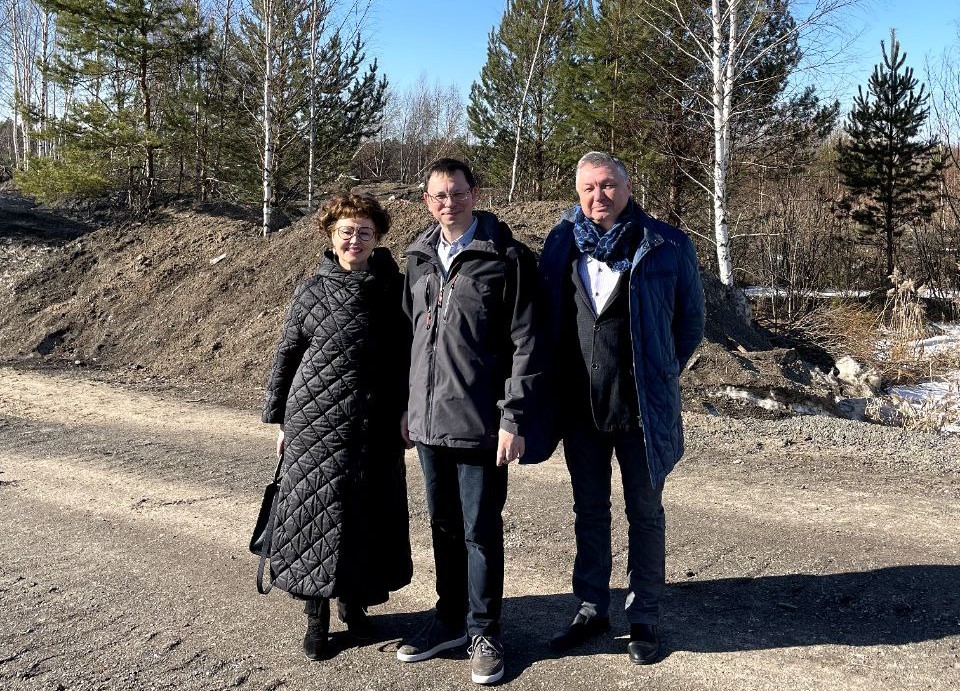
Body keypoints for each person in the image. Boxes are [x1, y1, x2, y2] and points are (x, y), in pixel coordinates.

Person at [538, 151, 704, 665]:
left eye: (608, 185)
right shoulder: (562, 244)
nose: (598, 196)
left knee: (645, 514)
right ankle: (591, 607)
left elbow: (690, 323)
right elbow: (549, 320)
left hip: (642, 414)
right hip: (582, 411)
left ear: (627, 188)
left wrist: (656, 374)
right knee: (589, 513)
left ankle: (644, 616)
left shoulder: (666, 245)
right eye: (588, 188)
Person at [396, 158, 539, 685]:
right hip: (428, 422)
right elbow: (407, 340)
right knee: (442, 526)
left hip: (482, 423)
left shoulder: (506, 259)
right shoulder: (417, 259)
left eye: (457, 193)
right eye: (438, 195)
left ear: (474, 193)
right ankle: (449, 619)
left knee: (480, 530)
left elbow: (527, 344)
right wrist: (405, 409)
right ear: (427, 200)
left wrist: (514, 417)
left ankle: (485, 631)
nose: (448, 203)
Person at [261, 193, 413, 661]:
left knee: (369, 512)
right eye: (346, 231)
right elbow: (288, 352)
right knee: (314, 512)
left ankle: (355, 606)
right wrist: (280, 415)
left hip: (376, 419)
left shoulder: (396, 287)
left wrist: (409, 409)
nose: (355, 239)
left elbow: (412, 355)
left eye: (364, 231)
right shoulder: (311, 289)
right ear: (331, 236)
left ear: (377, 238)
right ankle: (316, 617)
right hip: (316, 420)